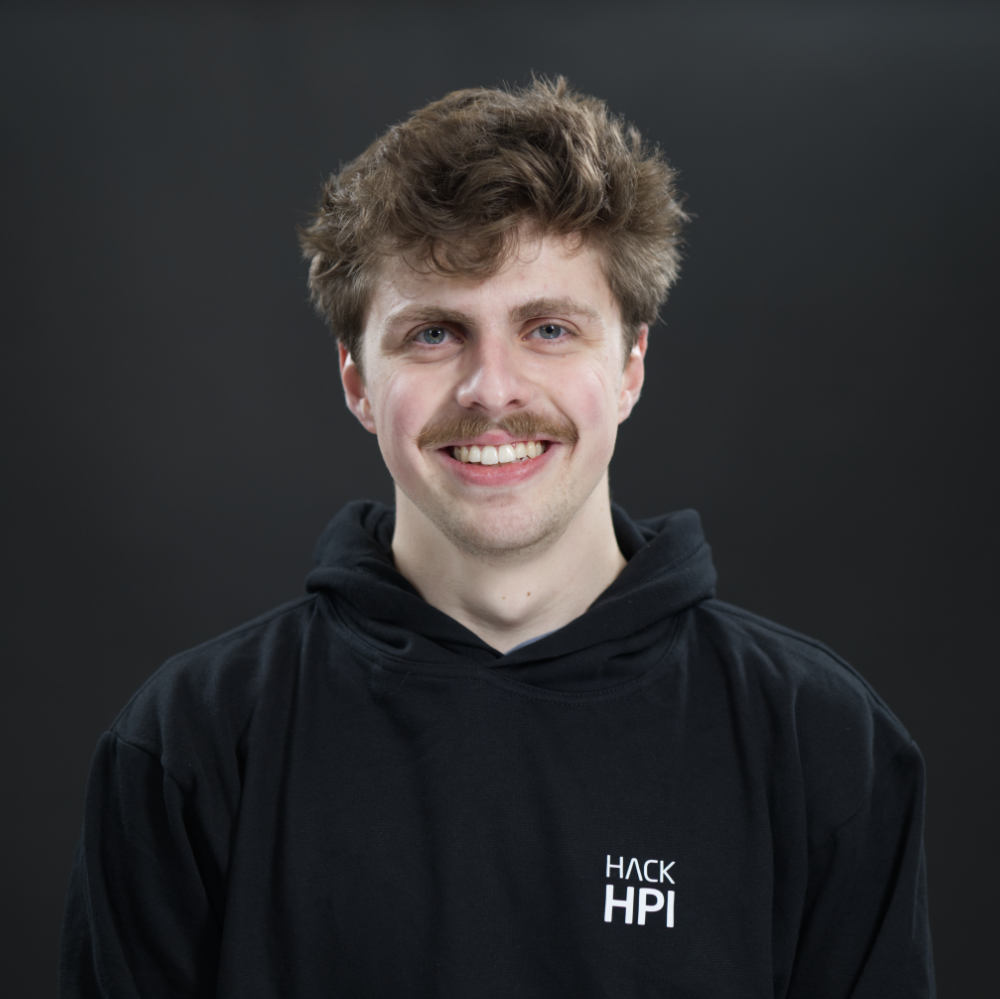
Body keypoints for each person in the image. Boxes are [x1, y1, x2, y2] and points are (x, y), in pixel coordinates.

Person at [60, 77, 935, 997]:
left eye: (549, 328)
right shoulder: (189, 746)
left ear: (631, 366)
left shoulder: (824, 745)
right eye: (435, 333)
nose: (492, 388)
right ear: (357, 382)